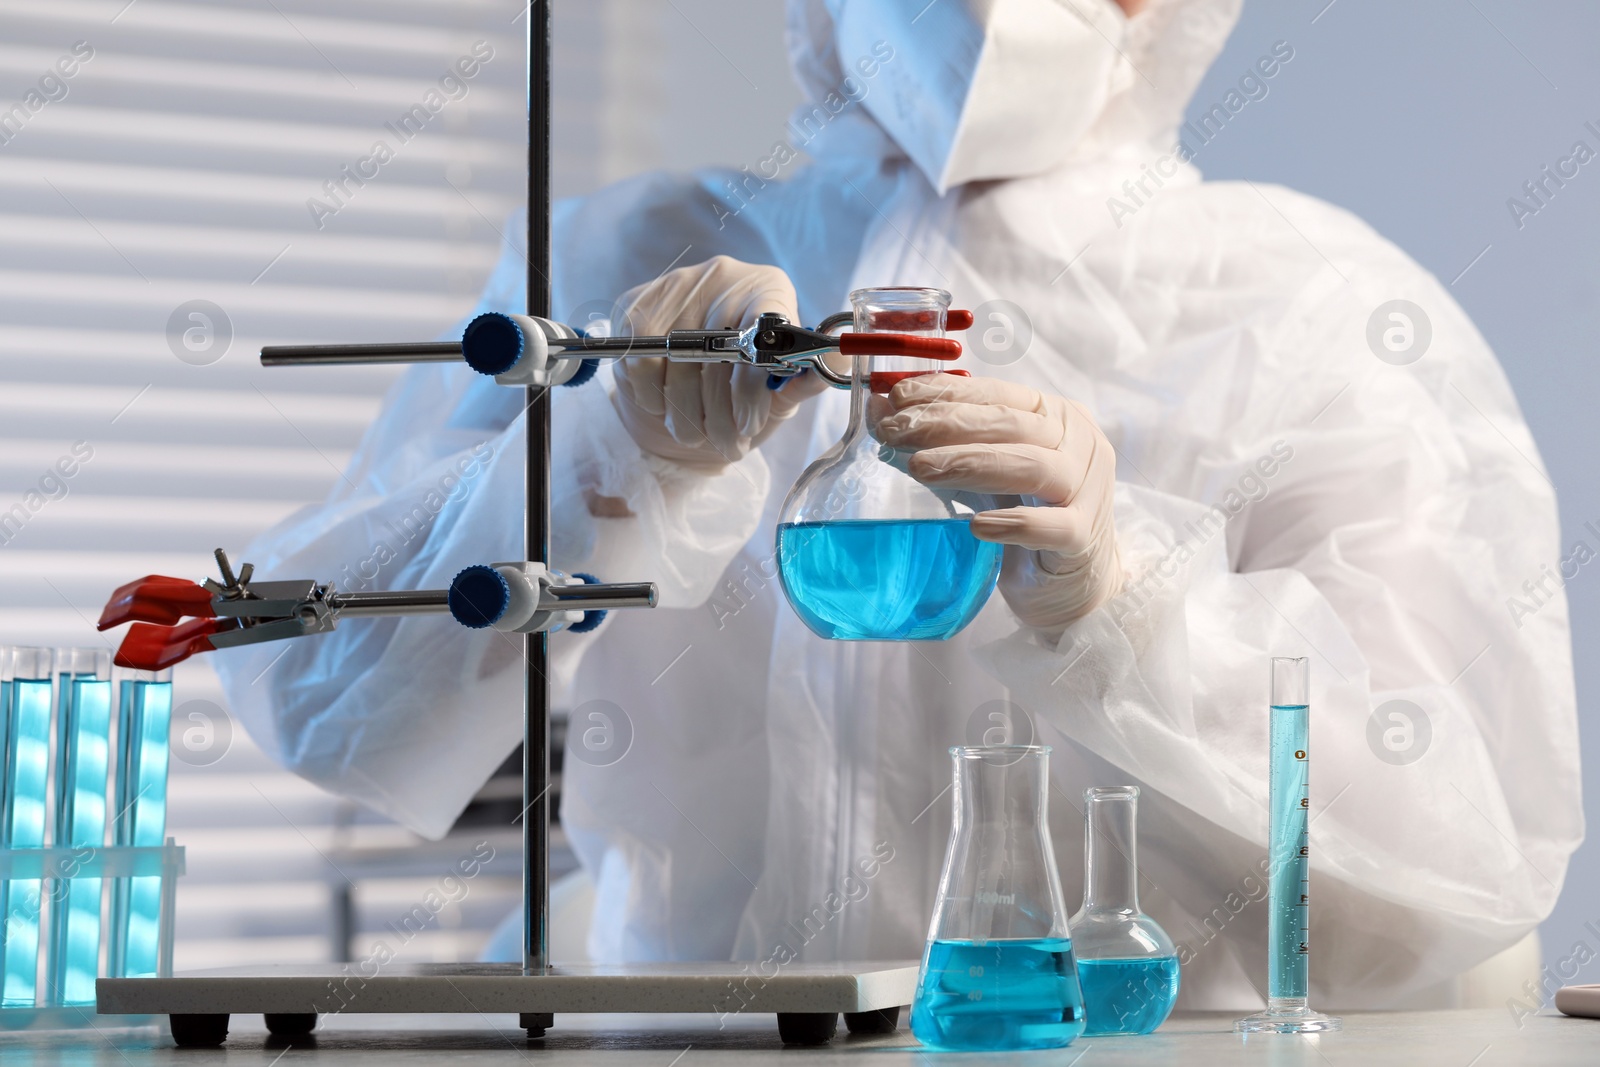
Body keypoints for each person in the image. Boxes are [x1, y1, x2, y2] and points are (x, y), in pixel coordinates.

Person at [217, 0, 1579, 1009]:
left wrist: (1134, 606)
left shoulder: (1318, 308)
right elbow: (320, 705)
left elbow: (1471, 842)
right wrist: (604, 452)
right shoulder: (625, 261)